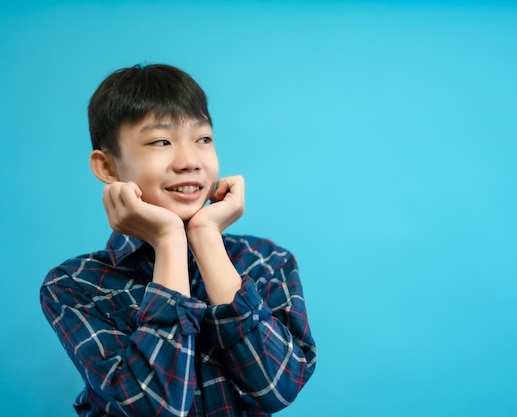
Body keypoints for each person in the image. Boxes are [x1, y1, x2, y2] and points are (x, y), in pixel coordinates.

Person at [40, 63, 317, 417]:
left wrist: (204, 236)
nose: (190, 161)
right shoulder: (74, 284)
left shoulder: (265, 260)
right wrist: (168, 240)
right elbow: (155, 407)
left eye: (203, 139)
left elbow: (277, 387)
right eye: (161, 141)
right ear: (108, 168)